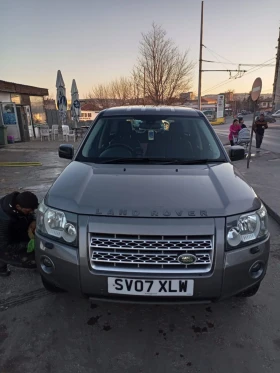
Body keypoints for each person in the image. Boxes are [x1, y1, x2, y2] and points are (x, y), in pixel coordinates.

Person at [0, 191, 38, 277]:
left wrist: (33, 220)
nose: (32, 212)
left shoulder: (17, 201)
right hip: (3, 242)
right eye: (29, 210)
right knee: (33, 260)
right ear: (18, 207)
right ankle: (1, 264)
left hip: (11, 231)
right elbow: (5, 245)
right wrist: (28, 245)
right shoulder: (4, 221)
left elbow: (31, 213)